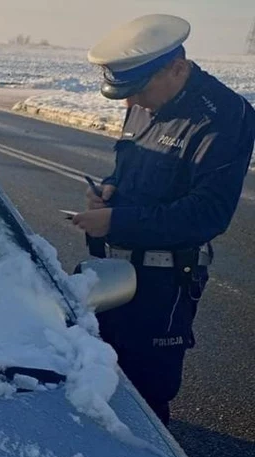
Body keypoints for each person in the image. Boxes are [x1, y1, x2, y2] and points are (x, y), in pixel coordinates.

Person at [72, 14, 255, 424]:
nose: (129, 103)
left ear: (176, 67)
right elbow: (131, 168)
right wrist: (108, 190)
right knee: (91, 374)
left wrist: (117, 222)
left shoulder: (223, 117)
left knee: (142, 398)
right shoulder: (143, 100)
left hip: (161, 286)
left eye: (137, 90)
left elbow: (207, 214)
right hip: (111, 270)